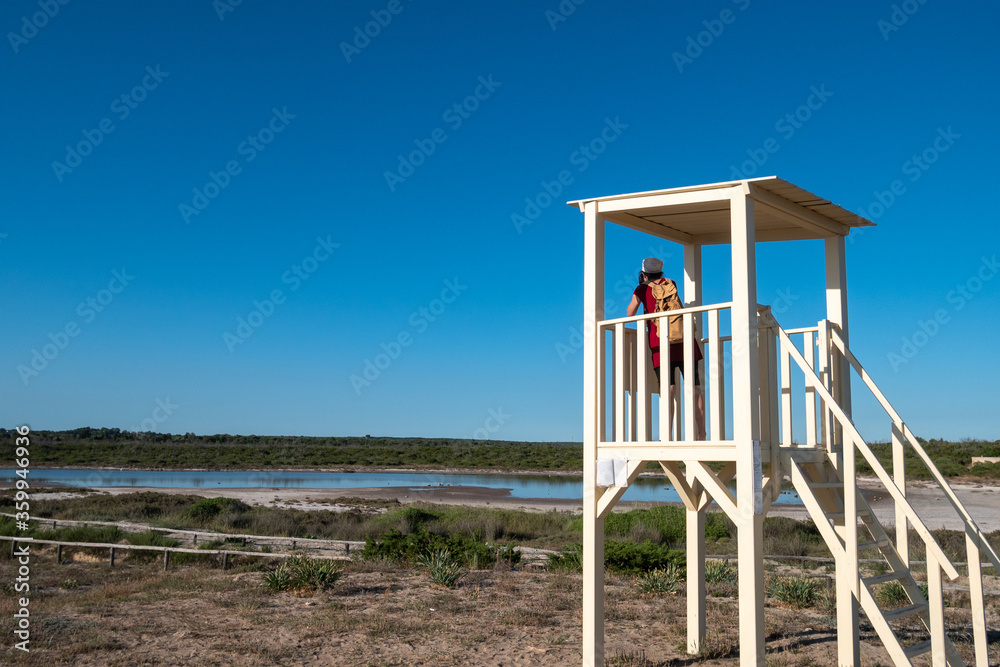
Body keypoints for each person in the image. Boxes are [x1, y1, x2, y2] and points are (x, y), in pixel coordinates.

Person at [626, 257, 706, 440]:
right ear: (661, 273)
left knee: (669, 389)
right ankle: (702, 433)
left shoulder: (641, 288)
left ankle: (667, 436)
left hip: (660, 343)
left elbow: (630, 312)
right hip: (684, 341)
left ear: (643, 273)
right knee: (695, 388)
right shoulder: (672, 283)